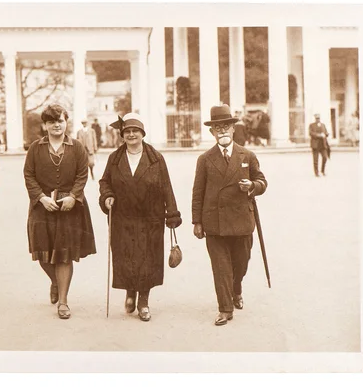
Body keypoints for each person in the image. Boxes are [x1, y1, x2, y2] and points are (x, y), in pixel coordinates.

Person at [99, 113, 182, 322]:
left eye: (135, 131)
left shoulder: (156, 158)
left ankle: (143, 301)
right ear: (122, 135)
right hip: (123, 217)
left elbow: (166, 187)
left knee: (147, 260)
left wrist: (171, 214)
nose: (131, 134)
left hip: (150, 218)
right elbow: (105, 182)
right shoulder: (115, 158)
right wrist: (107, 196)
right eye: (127, 131)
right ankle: (130, 291)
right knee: (126, 257)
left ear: (142, 133)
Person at [191, 104, 268, 326]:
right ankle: (225, 308)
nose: (222, 131)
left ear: (234, 129)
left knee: (241, 264)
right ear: (212, 132)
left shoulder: (248, 155)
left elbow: (263, 182)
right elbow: (198, 192)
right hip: (215, 222)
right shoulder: (205, 159)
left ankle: (236, 289)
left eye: (226, 126)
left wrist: (252, 185)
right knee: (221, 267)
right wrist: (197, 221)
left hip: (242, 221)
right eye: (217, 128)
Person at [23, 104, 97, 320]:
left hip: (69, 208)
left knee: (64, 255)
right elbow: (29, 175)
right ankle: (55, 281)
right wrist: (41, 198)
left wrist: (73, 197)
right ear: (45, 125)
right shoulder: (35, 148)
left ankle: (63, 301)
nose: (56, 125)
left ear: (66, 123)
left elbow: (82, 175)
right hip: (42, 206)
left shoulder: (77, 147)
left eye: (60, 120)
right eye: (51, 121)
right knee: (42, 253)